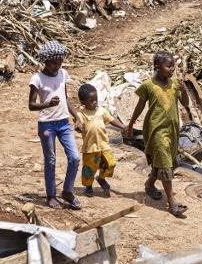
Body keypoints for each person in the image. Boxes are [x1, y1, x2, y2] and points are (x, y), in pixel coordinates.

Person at [124, 51, 194, 218]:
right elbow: (140, 106)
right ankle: (172, 202)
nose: (172, 69)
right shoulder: (148, 85)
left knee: (167, 162)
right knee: (164, 163)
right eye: (168, 66)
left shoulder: (175, 84)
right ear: (157, 67)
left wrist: (184, 90)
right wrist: (131, 124)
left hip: (172, 131)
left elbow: (185, 104)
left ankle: (149, 184)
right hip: (156, 131)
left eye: (173, 66)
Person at [27, 41, 81, 210]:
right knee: (50, 160)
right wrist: (48, 104)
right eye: (53, 62)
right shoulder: (37, 78)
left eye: (60, 62)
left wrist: (77, 116)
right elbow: (31, 105)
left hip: (64, 123)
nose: (57, 66)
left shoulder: (63, 74)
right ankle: (51, 195)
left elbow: (66, 98)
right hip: (47, 125)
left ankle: (67, 191)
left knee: (75, 158)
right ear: (46, 61)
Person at [75, 83, 125, 197]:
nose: (95, 102)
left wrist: (123, 126)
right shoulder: (81, 114)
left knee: (111, 164)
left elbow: (111, 120)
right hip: (90, 148)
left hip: (103, 146)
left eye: (96, 99)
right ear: (83, 102)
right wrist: (78, 127)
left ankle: (101, 178)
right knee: (89, 170)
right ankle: (88, 187)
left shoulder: (102, 110)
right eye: (91, 100)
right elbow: (79, 124)